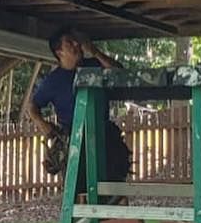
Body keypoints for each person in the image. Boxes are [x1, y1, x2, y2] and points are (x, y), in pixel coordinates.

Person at [25, 28, 133, 180]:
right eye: (70, 43)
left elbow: (121, 75)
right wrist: (43, 125)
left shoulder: (94, 65)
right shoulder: (53, 80)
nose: (76, 44)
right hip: (73, 140)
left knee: (113, 185)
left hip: (104, 136)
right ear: (59, 52)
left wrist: (94, 51)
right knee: (79, 190)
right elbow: (32, 106)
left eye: (76, 41)